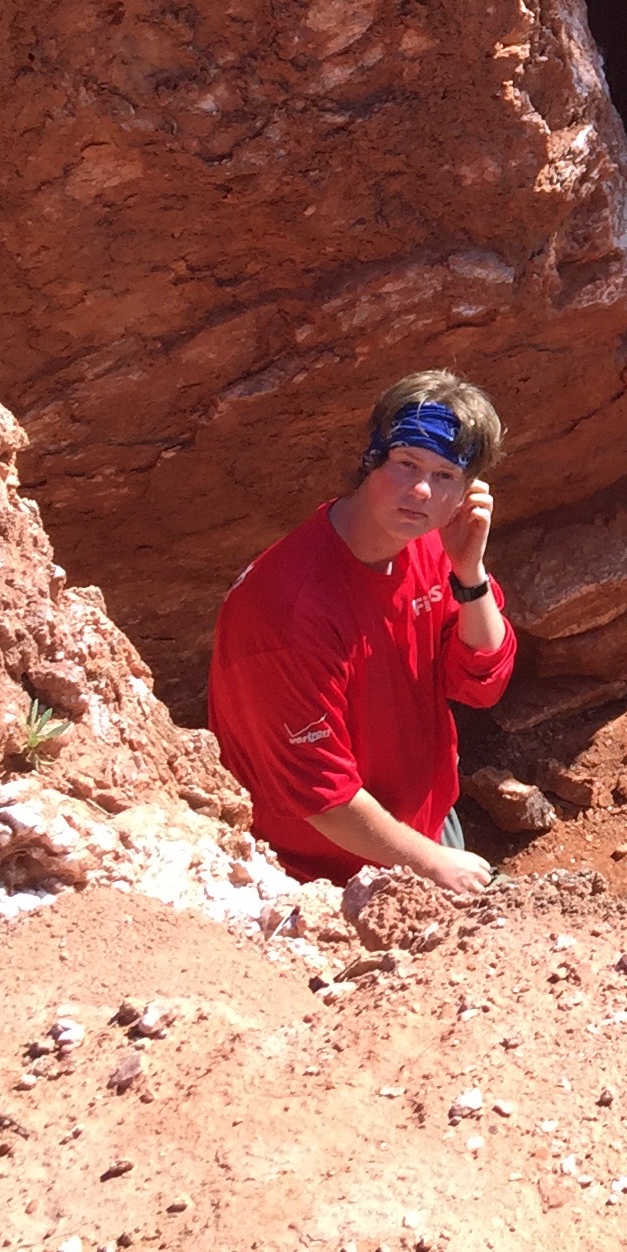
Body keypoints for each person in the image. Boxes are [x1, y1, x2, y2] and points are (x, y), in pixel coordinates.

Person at [207, 370, 516, 892]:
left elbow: (480, 682)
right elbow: (319, 796)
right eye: (407, 464)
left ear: (469, 493)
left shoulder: (430, 546)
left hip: (421, 830)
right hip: (318, 875)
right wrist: (433, 865)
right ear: (372, 458)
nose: (421, 491)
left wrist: (471, 575)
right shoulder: (287, 613)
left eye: (445, 476)